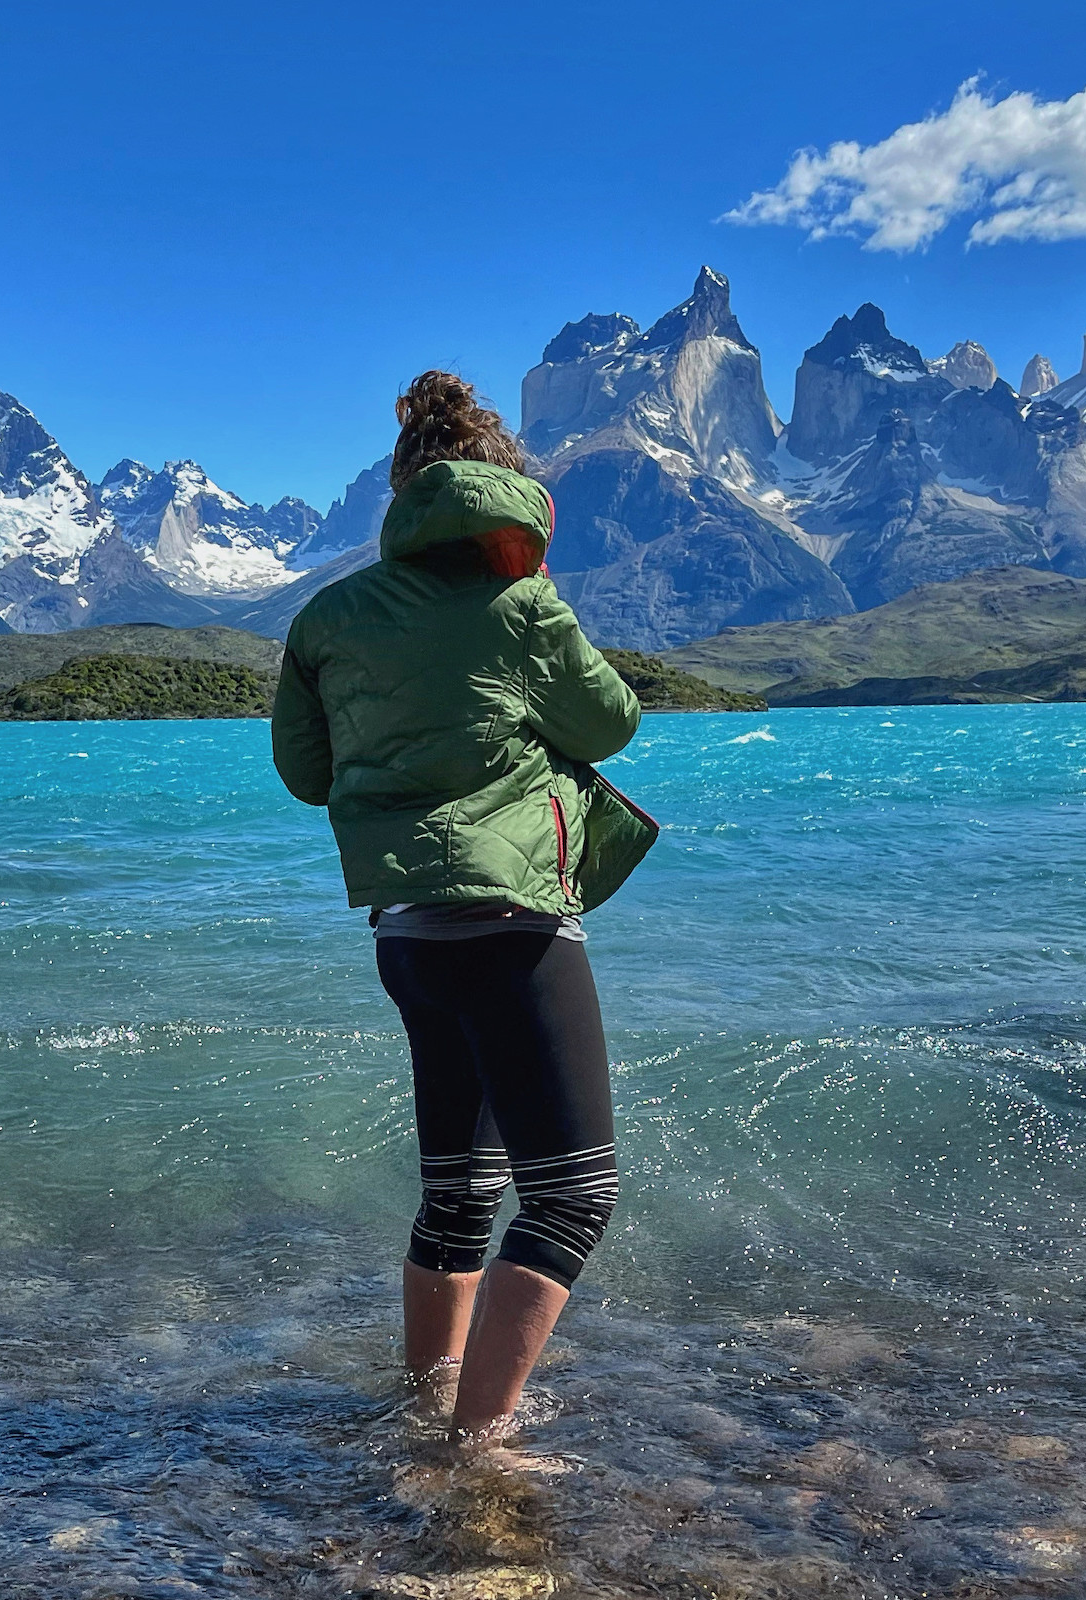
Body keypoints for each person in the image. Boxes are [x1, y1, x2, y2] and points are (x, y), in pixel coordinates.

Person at [270, 370, 641, 1446]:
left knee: (463, 1193)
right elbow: (611, 724)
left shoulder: (326, 616)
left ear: (402, 489)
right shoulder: (522, 604)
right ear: (505, 487)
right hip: (513, 926)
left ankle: (429, 1397)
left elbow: (305, 771)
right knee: (572, 1200)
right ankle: (478, 1446)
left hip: (407, 936)